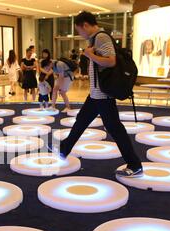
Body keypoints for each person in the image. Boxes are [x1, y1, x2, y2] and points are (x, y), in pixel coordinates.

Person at [50, 11, 142, 178]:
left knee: (115, 129)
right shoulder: (95, 39)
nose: (80, 34)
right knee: (81, 121)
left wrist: (89, 54)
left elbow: (111, 61)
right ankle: (64, 149)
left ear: (85, 25)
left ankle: (135, 165)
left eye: (79, 30)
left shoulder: (101, 37)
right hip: (96, 94)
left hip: (103, 95)